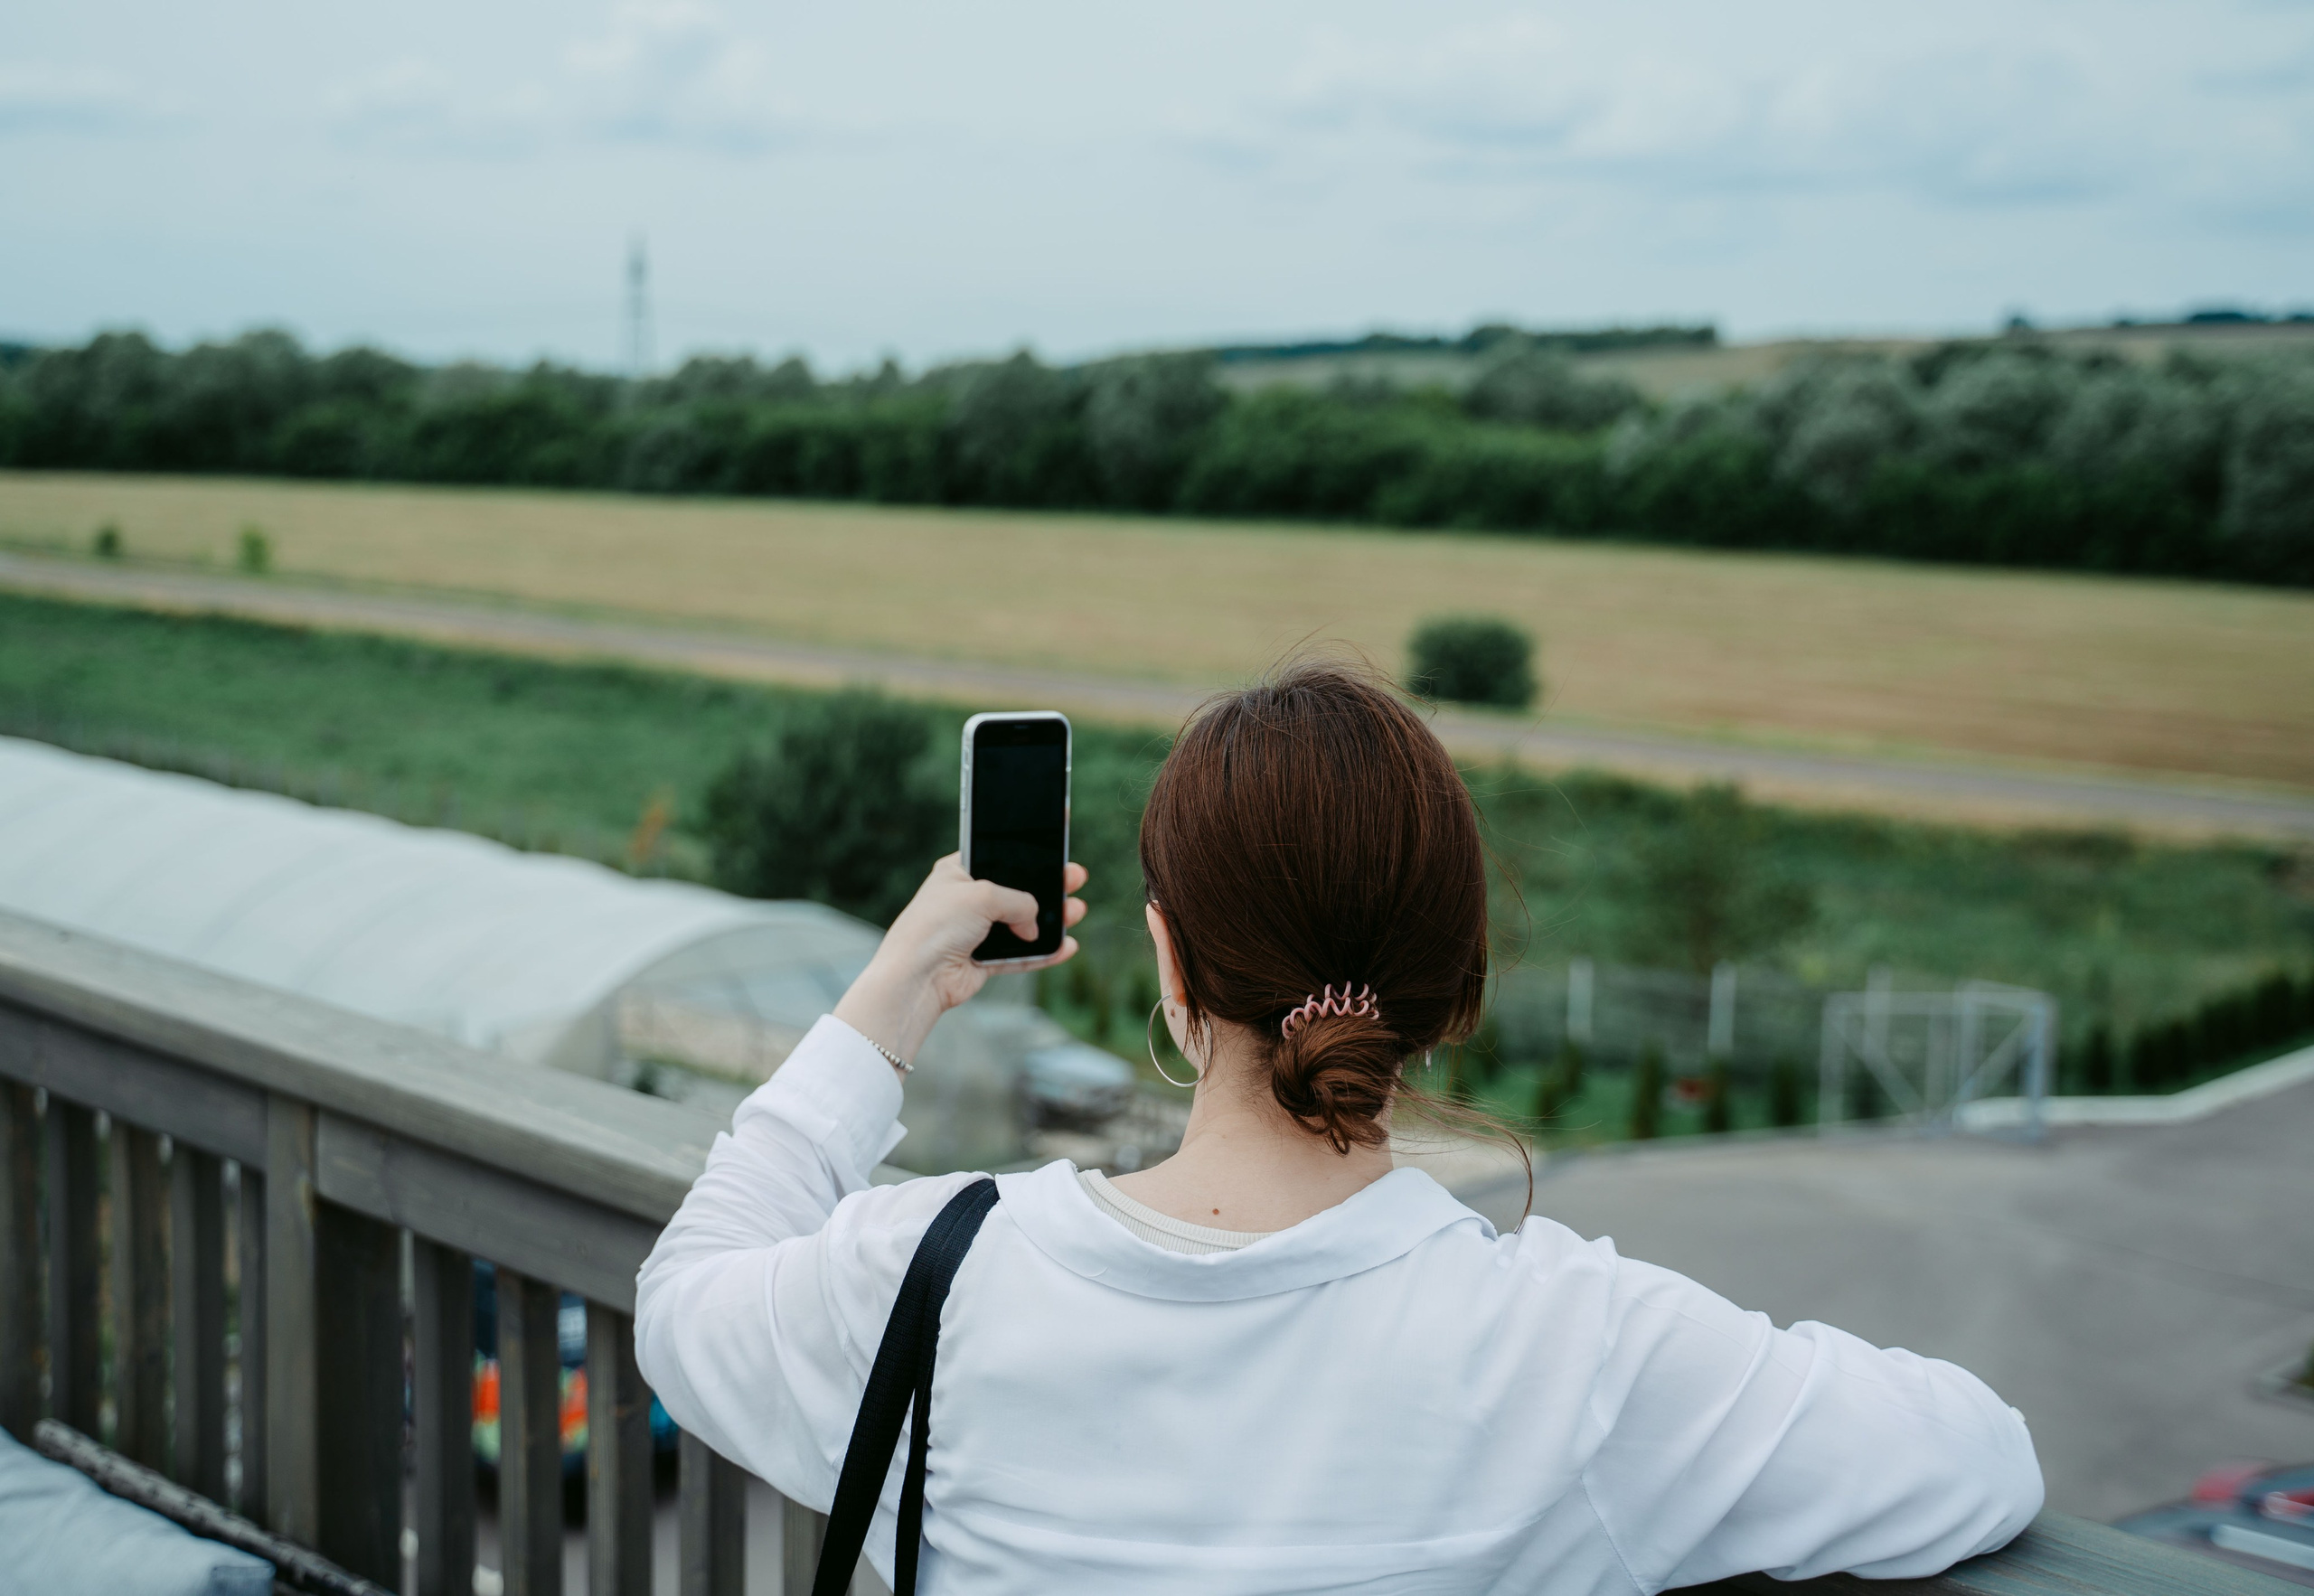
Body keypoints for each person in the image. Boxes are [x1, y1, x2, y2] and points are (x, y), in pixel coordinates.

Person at [635, 663, 2043, 1594]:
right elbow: (1980, 1460)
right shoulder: (1583, 1348)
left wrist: (894, 993)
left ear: (1172, 968)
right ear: (1455, 990)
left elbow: (683, 1299)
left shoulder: (929, 1274)